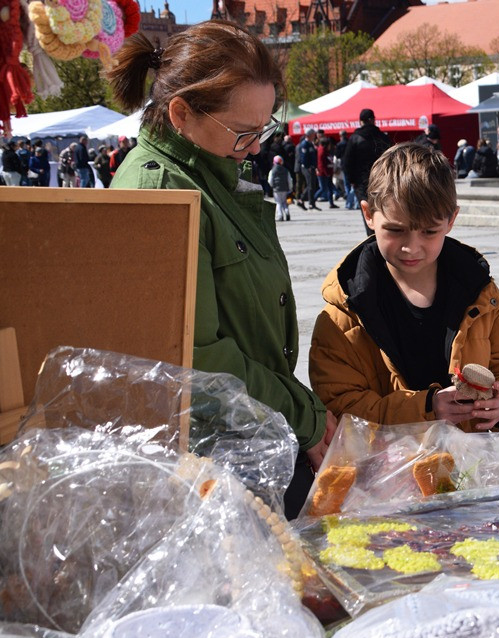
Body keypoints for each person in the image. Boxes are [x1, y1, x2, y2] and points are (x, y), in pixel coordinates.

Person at [106, 20, 336, 518]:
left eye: (264, 129)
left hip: (246, 433)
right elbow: (197, 360)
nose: (257, 148)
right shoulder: (164, 190)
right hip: (211, 461)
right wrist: (304, 415)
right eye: (243, 133)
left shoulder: (210, 172)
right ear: (182, 114)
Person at [309, 142, 499, 431]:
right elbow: (338, 406)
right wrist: (427, 408)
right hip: (388, 469)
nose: (411, 247)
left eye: (429, 232)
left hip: (471, 467)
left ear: (451, 220)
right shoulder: (344, 312)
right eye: (395, 230)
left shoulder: (482, 293)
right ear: (368, 214)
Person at [344, 108, 393, 235]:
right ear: (373, 120)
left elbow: (347, 162)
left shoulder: (355, 138)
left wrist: (351, 180)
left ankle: (371, 237)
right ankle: (384, 235)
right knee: (382, 209)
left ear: (361, 121)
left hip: (362, 181)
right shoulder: (383, 137)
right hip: (382, 179)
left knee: (367, 211)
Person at [297, 129, 319, 210]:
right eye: (313, 134)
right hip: (307, 167)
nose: (314, 135)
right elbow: (303, 157)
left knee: (312, 185)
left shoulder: (310, 144)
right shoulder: (304, 144)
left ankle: (303, 200)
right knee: (310, 185)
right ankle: (310, 203)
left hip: (312, 167)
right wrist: (308, 166)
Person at [315, 135, 339, 208]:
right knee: (323, 188)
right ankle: (313, 199)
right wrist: (326, 173)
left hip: (328, 172)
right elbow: (321, 164)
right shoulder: (322, 151)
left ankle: (331, 203)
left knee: (330, 188)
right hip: (323, 173)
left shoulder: (325, 151)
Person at [268, 154, 293, 221]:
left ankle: (280, 215)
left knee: (278, 202)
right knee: (285, 202)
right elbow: (289, 180)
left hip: (276, 189)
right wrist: (290, 188)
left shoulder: (272, 171)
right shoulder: (286, 170)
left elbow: (270, 180)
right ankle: (287, 212)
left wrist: (272, 186)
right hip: (285, 189)